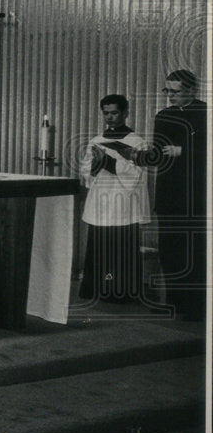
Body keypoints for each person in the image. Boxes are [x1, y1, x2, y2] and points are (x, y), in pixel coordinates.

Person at [138, 70, 207, 321]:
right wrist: (141, 154)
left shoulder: (204, 113)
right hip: (168, 195)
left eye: (175, 92)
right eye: (167, 91)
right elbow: (158, 151)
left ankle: (196, 307)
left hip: (195, 196)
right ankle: (176, 303)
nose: (169, 97)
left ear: (192, 90)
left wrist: (183, 151)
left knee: (194, 252)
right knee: (170, 251)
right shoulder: (164, 115)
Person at [78, 94, 150, 305]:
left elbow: (135, 174)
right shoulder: (97, 140)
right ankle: (97, 288)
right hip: (101, 200)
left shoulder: (136, 142)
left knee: (120, 247)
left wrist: (107, 161)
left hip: (122, 203)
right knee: (99, 245)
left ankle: (120, 291)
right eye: (106, 113)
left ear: (125, 113)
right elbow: (85, 170)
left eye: (114, 113)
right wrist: (93, 166)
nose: (109, 117)